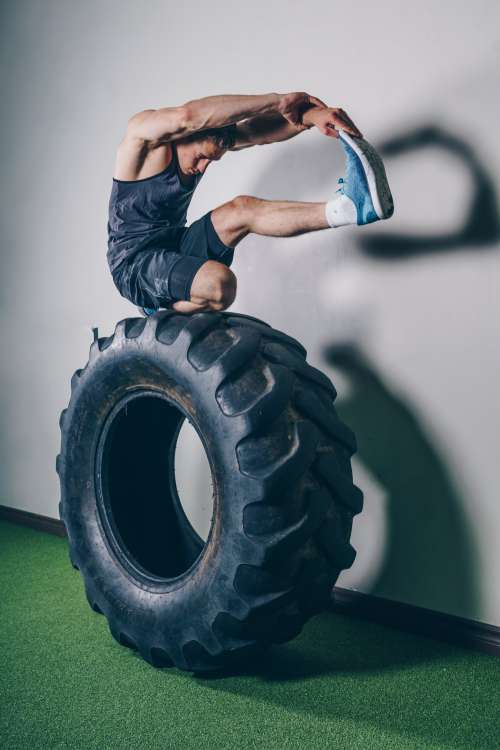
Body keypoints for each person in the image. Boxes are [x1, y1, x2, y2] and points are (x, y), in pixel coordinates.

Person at [107, 92, 394, 315]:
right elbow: (188, 115)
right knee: (221, 284)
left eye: (211, 160)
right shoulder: (142, 139)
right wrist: (277, 101)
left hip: (176, 248)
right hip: (135, 265)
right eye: (201, 156)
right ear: (184, 134)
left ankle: (348, 208)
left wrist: (313, 116)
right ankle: (162, 307)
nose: (204, 167)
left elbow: (258, 133)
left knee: (242, 209)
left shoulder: (205, 141)